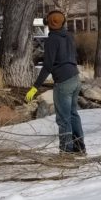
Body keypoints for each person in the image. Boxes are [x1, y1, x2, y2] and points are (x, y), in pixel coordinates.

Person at [26, 9, 85, 155]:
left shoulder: (52, 40)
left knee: (64, 119)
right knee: (73, 114)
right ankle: (80, 147)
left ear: (48, 23)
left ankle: (66, 151)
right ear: (63, 22)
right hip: (75, 78)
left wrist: (34, 88)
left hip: (63, 83)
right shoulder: (69, 36)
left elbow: (47, 66)